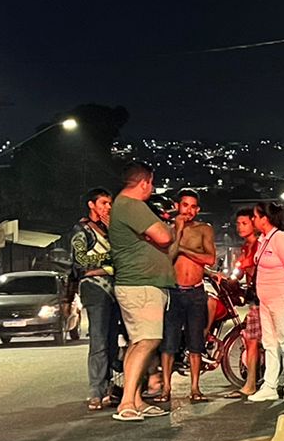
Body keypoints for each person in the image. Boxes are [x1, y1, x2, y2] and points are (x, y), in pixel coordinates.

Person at [106, 161, 175, 421]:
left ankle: (135, 398)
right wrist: (165, 229)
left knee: (138, 342)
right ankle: (127, 403)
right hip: (141, 284)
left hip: (138, 283)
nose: (152, 188)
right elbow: (164, 236)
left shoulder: (122, 206)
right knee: (148, 341)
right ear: (145, 182)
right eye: (151, 183)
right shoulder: (132, 206)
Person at [160, 189, 216, 405]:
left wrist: (183, 248)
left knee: (196, 343)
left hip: (195, 292)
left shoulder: (204, 230)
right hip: (173, 291)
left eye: (193, 207)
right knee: (169, 344)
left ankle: (195, 388)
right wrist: (179, 232)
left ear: (198, 209)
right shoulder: (167, 230)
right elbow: (168, 257)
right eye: (185, 205)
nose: (189, 210)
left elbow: (210, 258)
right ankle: (166, 388)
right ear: (177, 206)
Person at [247, 201, 284, 402]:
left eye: (255, 216)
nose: (253, 219)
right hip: (266, 300)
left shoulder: (280, 238)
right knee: (269, 344)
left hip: (282, 299)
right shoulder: (263, 239)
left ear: (265, 218)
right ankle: (270, 386)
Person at [72, 187, 121, 411]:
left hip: (114, 290)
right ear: (92, 205)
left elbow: (123, 253)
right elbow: (81, 261)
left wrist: (103, 266)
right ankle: (96, 390)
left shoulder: (110, 229)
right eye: (103, 203)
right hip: (94, 290)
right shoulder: (83, 231)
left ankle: (108, 386)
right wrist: (109, 263)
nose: (108, 207)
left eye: (109, 203)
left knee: (112, 340)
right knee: (99, 341)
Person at [225, 208, 262, 399]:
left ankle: (251, 384)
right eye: (238, 223)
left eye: (244, 223)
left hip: (263, 297)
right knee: (252, 340)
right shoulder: (246, 246)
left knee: (252, 340)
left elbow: (245, 266)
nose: (240, 227)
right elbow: (239, 269)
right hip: (255, 298)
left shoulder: (259, 245)